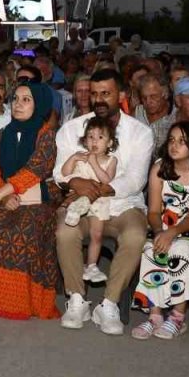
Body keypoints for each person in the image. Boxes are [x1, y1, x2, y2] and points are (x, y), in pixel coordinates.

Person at [54, 68, 153, 336]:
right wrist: (75, 183)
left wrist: (92, 189)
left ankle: (108, 304)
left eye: (105, 94)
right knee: (65, 230)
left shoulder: (140, 132)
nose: (98, 99)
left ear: (122, 95)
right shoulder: (72, 128)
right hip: (82, 204)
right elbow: (58, 172)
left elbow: (135, 181)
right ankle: (76, 299)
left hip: (124, 204)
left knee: (135, 235)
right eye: (94, 93)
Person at [0, 82, 60, 318]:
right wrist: (4, 195)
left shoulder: (46, 135)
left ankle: (22, 302)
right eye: (16, 99)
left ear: (39, 105)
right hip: (7, 196)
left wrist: (0, 194)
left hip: (38, 199)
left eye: (26, 100)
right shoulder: (1, 135)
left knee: (23, 229)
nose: (18, 104)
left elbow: (36, 169)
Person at [130, 122, 189, 340]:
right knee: (152, 249)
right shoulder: (159, 168)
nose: (174, 146)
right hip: (163, 226)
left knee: (180, 251)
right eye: (171, 140)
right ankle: (155, 315)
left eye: (182, 141)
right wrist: (160, 231)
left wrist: (172, 233)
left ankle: (178, 317)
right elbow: (153, 211)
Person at [61, 115, 118, 284]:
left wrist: (94, 163)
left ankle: (91, 265)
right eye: (90, 137)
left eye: (100, 137)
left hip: (98, 202)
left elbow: (107, 180)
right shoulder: (81, 156)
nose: (95, 141)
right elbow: (65, 173)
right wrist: (73, 159)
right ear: (85, 141)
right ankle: (75, 209)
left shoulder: (111, 161)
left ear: (109, 143)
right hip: (77, 195)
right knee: (75, 204)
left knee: (97, 234)